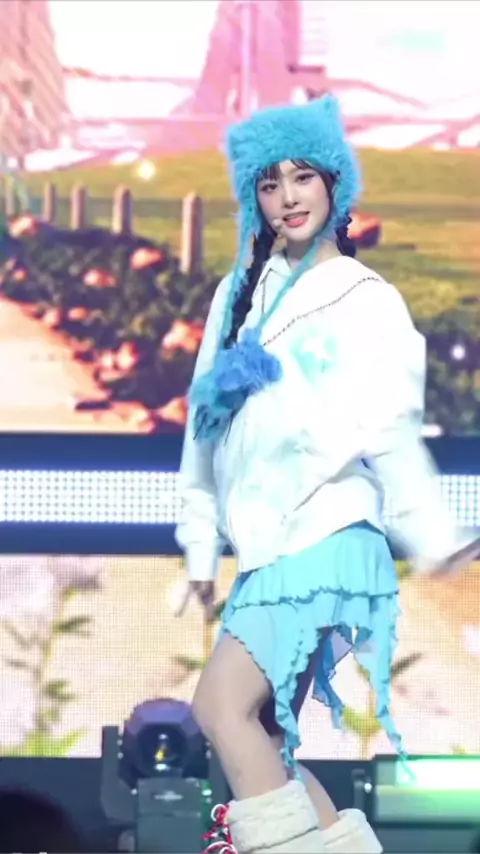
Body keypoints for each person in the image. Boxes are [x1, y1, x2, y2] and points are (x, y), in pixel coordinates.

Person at [175, 95, 480, 854]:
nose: (287, 197)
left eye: (303, 177)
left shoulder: (367, 300)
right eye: (269, 183)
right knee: (267, 738)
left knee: (221, 708)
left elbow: (390, 427)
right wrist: (199, 547)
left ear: (335, 184)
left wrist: (434, 536)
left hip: (327, 533)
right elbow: (202, 433)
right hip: (269, 550)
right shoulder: (237, 296)